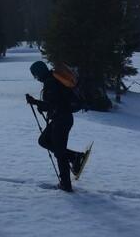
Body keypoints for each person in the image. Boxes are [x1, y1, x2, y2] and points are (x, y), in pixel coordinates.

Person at [25, 60, 87, 192]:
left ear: (39, 73)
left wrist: (36, 103)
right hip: (62, 119)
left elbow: (53, 105)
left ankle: (66, 184)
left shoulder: (51, 83)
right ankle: (74, 157)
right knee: (44, 141)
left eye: (35, 75)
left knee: (59, 153)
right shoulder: (53, 79)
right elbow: (56, 103)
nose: (36, 79)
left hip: (62, 120)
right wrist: (38, 103)